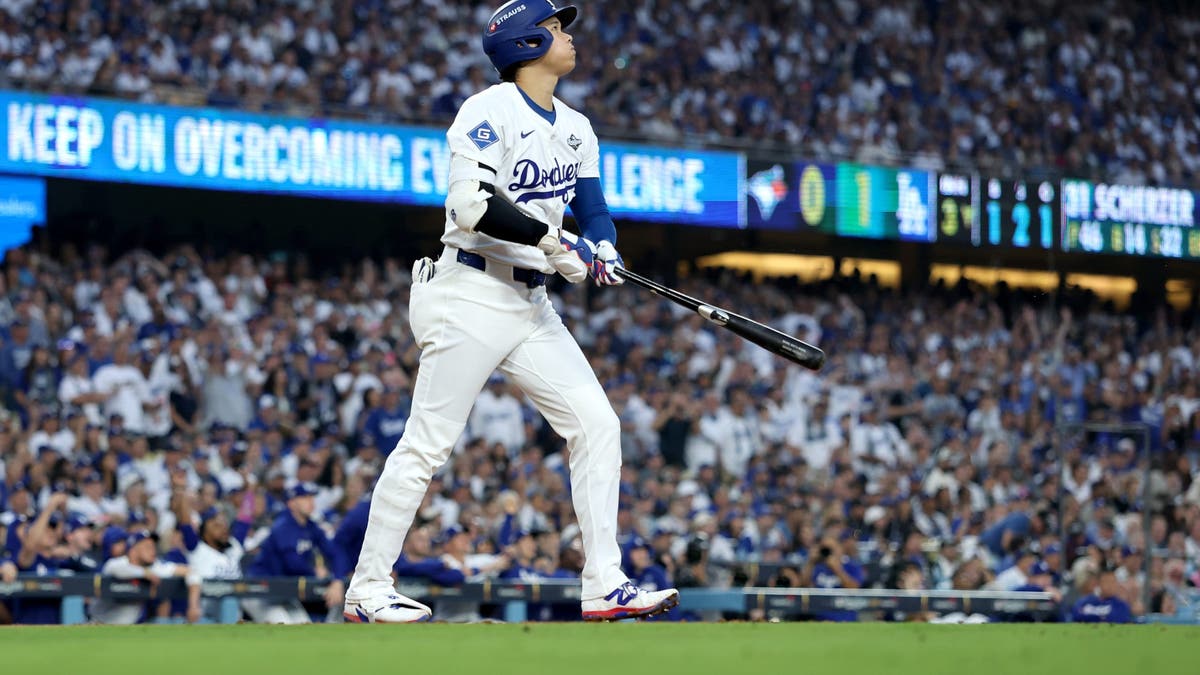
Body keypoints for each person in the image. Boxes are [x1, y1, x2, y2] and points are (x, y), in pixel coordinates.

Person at [343, 0, 678, 623]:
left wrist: (601, 246)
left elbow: (593, 208)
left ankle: (604, 582)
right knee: (427, 444)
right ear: (525, 44)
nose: (567, 36)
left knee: (598, 425)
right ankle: (367, 589)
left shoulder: (576, 126)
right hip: (470, 291)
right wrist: (555, 241)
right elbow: (471, 206)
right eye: (554, 28)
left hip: (530, 302)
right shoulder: (486, 111)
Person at [245, 482, 345, 624]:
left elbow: (335, 553)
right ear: (291, 503)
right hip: (260, 590)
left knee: (304, 626)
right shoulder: (283, 526)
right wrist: (315, 573)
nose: (311, 501)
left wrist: (337, 580)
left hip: (284, 592)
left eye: (312, 497)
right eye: (305, 497)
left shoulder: (310, 526)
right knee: (284, 626)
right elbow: (292, 563)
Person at [91, 529, 196, 624]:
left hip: (127, 628)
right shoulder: (118, 563)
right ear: (133, 550)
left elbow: (191, 572)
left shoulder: (155, 567)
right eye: (148, 547)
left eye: (154, 547)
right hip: (98, 622)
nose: (153, 551)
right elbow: (116, 569)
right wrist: (144, 573)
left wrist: (193, 606)